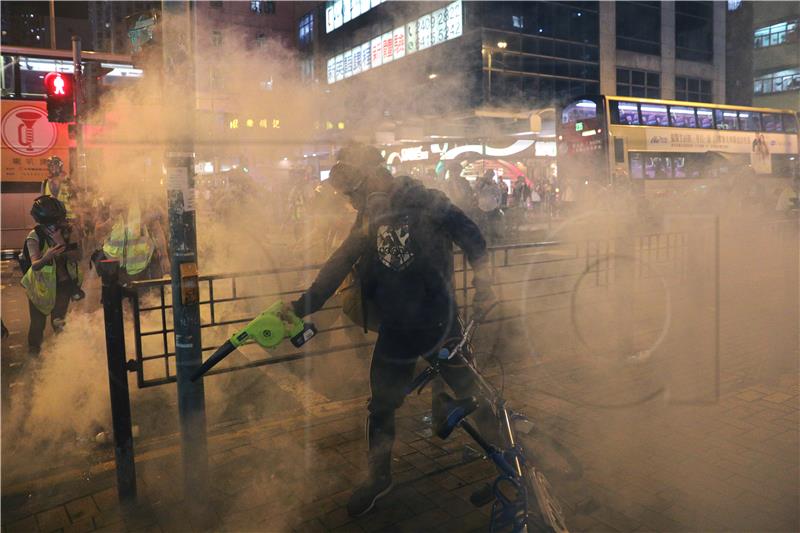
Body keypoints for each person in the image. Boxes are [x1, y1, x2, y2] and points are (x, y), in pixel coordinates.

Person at [289, 143, 496, 517]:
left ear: (374, 174)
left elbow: (473, 238)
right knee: (381, 404)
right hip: (396, 329)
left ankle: (506, 460)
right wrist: (304, 305)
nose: (352, 200)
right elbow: (342, 259)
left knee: (472, 392)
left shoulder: (426, 201)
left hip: (439, 322)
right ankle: (379, 477)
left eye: (354, 190)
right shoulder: (370, 213)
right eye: (348, 194)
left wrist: (485, 288)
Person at [21, 196, 83, 355]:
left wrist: (61, 242)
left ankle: (61, 356)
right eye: (51, 223)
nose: (57, 225)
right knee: (37, 324)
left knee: (59, 322)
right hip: (39, 288)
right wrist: (47, 256)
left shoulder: (69, 231)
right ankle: (34, 354)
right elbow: (35, 265)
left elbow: (77, 256)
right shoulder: (34, 236)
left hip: (63, 285)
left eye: (59, 220)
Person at [41, 156, 76, 221]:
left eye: (55, 166)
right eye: (51, 166)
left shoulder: (69, 182)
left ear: (60, 167)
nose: (53, 168)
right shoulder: (45, 183)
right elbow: (43, 204)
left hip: (69, 220)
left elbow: (76, 203)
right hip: (52, 221)